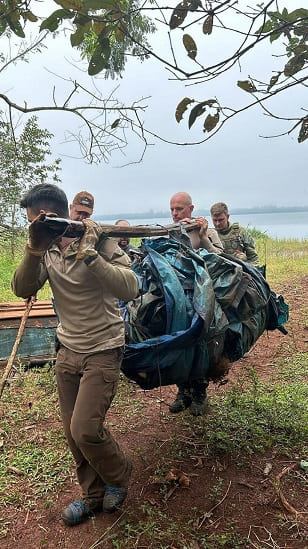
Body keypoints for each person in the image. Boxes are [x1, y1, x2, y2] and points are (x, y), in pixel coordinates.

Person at [12, 184, 139, 527]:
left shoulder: (98, 239)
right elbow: (22, 288)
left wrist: (92, 257)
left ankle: (119, 472)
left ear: (56, 213)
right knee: (72, 432)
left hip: (103, 347)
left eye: (37, 221)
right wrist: (34, 248)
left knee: (85, 429)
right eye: (31, 224)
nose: (36, 227)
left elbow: (130, 287)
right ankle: (92, 496)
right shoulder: (46, 249)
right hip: (68, 349)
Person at [168, 192, 223, 416]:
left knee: (202, 343)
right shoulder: (168, 232)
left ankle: (199, 393)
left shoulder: (205, 230)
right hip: (177, 298)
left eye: (179, 209)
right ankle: (183, 391)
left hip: (204, 297)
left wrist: (203, 237)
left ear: (191, 209)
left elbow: (223, 259)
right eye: (172, 209)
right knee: (177, 342)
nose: (174, 213)